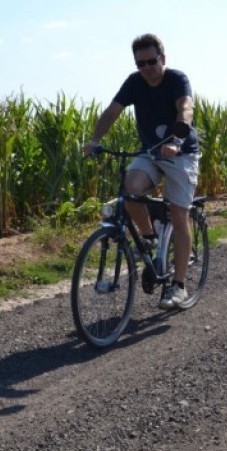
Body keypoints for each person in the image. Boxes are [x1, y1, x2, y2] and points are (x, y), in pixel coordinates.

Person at [83, 33, 200, 309]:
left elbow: (185, 108)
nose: (146, 68)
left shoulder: (177, 79)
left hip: (180, 152)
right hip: (150, 152)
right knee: (131, 188)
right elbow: (112, 111)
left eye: (151, 61)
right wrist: (94, 141)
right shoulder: (135, 83)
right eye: (140, 64)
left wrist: (177, 140)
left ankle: (179, 286)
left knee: (178, 213)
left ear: (163, 58)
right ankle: (149, 238)